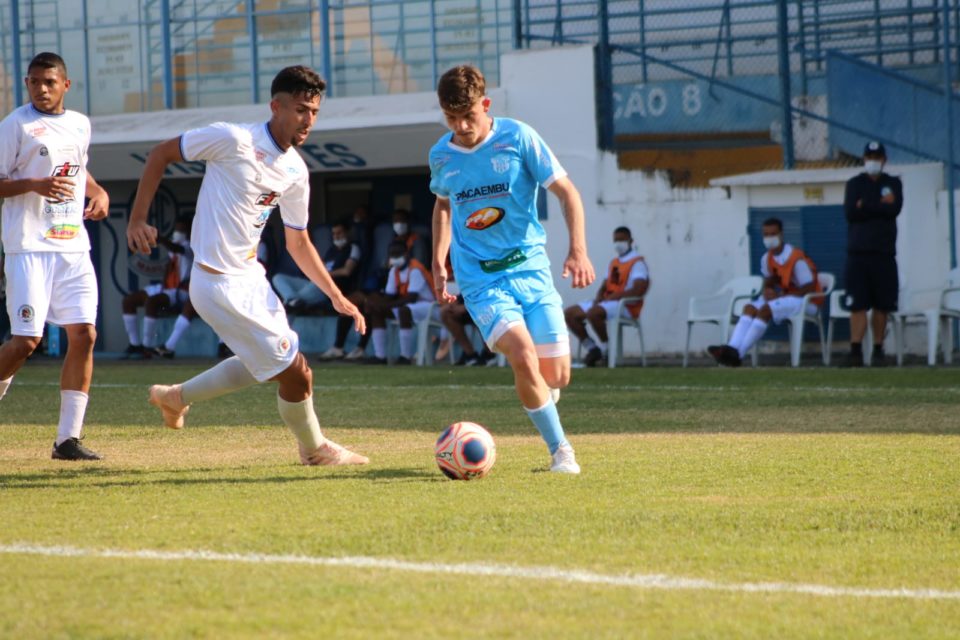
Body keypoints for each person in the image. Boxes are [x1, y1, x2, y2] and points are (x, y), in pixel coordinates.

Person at [126, 65, 368, 466]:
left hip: (252, 279)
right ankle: (314, 450)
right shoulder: (233, 138)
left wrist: (335, 295)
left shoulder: (295, 171)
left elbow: (299, 241)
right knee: (296, 372)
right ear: (276, 106)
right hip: (216, 284)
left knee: (264, 365)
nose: (308, 120)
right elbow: (160, 154)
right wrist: (137, 218)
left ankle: (175, 397)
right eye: (301, 109)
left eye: (314, 112)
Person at [429, 64, 595, 474]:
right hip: (482, 279)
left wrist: (578, 250)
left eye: (469, 115)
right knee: (522, 355)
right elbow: (444, 205)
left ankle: (542, 392)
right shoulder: (441, 155)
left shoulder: (518, 137)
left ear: (486, 105)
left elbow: (566, 192)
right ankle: (562, 452)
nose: (462, 126)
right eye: (452, 118)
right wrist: (438, 259)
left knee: (556, 376)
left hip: (532, 271)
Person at [0, 52, 110, 460]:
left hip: (73, 247)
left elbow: (79, 170)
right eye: (33, 82)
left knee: (85, 334)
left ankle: (67, 440)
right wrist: (34, 184)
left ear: (66, 84)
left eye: (49, 82)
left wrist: (97, 192)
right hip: (29, 246)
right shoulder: (15, 125)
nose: (41, 89)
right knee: (26, 342)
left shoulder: (81, 123)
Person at [708, 218, 821, 367]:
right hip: (785, 298)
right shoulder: (766, 258)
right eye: (766, 234)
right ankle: (731, 349)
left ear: (781, 234)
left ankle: (736, 354)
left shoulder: (795, 258)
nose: (769, 238)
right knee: (749, 308)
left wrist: (780, 296)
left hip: (807, 300)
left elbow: (809, 287)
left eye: (773, 234)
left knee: (765, 310)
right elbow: (770, 281)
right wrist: (767, 290)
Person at [842, 141, 903, 367]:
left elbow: (894, 209)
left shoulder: (893, 183)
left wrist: (865, 206)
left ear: (884, 160)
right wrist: (879, 205)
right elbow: (850, 212)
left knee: (882, 305)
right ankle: (855, 351)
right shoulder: (854, 183)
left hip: (884, 254)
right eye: (869, 157)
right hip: (857, 254)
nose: (873, 161)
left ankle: (878, 350)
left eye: (877, 157)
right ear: (863, 158)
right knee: (857, 305)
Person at [564, 226, 649, 367]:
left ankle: (606, 349)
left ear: (630, 240)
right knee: (570, 314)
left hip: (626, 305)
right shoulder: (614, 262)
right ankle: (592, 349)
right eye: (616, 240)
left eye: (622, 240)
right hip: (607, 302)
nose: (618, 243)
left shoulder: (637, 262)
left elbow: (638, 290)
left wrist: (615, 297)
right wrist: (599, 297)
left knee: (593, 313)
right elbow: (605, 285)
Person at [121, 216, 194, 359]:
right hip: (167, 288)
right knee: (128, 301)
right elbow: (170, 262)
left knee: (152, 302)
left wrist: (159, 238)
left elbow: (177, 248)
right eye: (176, 229)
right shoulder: (174, 244)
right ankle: (135, 345)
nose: (177, 232)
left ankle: (146, 347)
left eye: (181, 230)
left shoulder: (191, 246)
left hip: (182, 291)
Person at [362, 240, 436, 365]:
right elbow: (389, 296)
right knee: (377, 312)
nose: (394, 258)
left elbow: (411, 298)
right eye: (392, 255)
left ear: (406, 254)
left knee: (404, 310)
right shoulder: (394, 271)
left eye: (398, 254)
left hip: (429, 306)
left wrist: (383, 305)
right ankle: (380, 356)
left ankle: (405, 357)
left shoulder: (415, 269)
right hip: (410, 306)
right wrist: (376, 304)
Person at [276, 220, 361, 314]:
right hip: (316, 283)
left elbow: (346, 271)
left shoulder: (353, 248)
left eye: (339, 233)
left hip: (331, 289)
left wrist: (324, 276)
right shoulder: (331, 251)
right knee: (278, 278)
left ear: (348, 232)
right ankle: (293, 300)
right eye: (334, 234)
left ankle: (290, 302)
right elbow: (321, 266)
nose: (336, 236)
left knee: (315, 283)